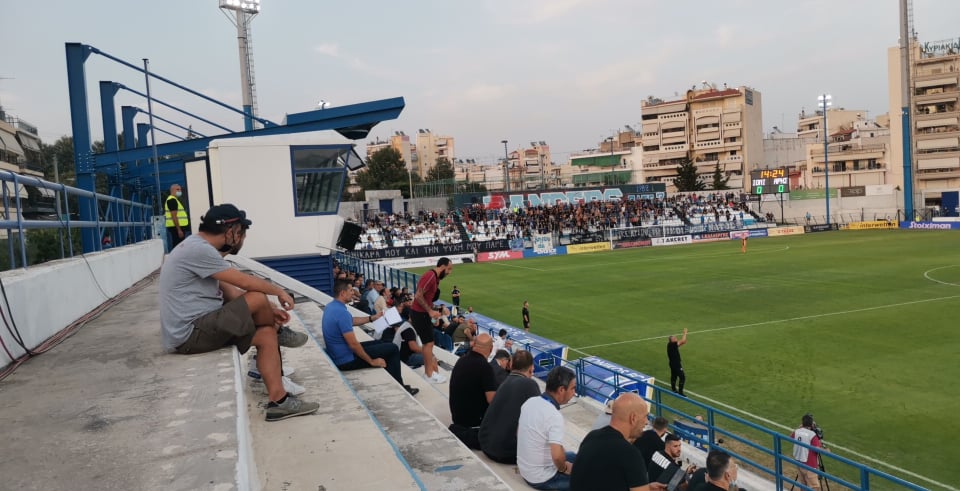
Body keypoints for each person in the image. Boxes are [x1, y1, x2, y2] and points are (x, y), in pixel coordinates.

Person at [159, 203, 318, 422]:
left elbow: (232, 292)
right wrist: (279, 292)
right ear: (231, 230)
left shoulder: (198, 248)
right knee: (258, 297)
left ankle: (279, 402)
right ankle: (278, 330)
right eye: (241, 232)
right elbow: (244, 282)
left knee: (266, 335)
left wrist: (269, 310)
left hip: (196, 331)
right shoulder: (199, 250)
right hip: (191, 333)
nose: (243, 238)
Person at [322, 279, 419, 396]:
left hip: (340, 353)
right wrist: (372, 361)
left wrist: (371, 318)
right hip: (346, 360)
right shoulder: (341, 313)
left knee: (381, 343)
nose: (353, 292)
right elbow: (353, 344)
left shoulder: (332, 306)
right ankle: (401, 388)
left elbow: (351, 321)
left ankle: (395, 381)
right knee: (393, 348)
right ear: (342, 293)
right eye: (351, 290)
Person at [570, 393, 665, 491]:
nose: (646, 422)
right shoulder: (630, 453)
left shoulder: (591, 436)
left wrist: (648, 487)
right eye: (645, 416)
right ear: (633, 418)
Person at [517, 366, 577, 490]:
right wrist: (564, 468)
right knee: (589, 482)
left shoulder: (530, 402)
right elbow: (557, 457)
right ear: (561, 390)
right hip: (541, 478)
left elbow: (518, 432)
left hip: (525, 470)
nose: (574, 393)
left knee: (575, 457)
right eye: (572, 388)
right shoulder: (554, 415)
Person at [478, 350, 540, 464]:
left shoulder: (505, 381)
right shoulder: (530, 385)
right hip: (505, 452)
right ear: (531, 368)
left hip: (485, 443)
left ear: (511, 365)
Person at [447, 333, 497, 449]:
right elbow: (492, 400)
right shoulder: (485, 367)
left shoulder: (461, 360)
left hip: (457, 418)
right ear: (490, 349)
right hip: (473, 422)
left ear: (474, 344)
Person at [410, 257, 454, 383]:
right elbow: (418, 295)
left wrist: (438, 309)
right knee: (428, 343)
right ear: (442, 266)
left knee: (428, 343)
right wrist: (430, 311)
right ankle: (429, 375)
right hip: (420, 314)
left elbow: (426, 299)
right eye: (449, 269)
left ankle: (429, 373)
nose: (449, 272)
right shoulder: (430, 276)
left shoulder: (435, 278)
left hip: (422, 313)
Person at [791, 413, 825, 490]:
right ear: (811, 424)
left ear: (802, 423)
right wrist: (827, 450)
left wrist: (800, 427)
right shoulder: (812, 435)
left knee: (803, 486)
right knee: (814, 487)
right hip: (810, 466)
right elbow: (818, 449)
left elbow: (791, 437)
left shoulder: (797, 431)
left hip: (799, 463)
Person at [165, 183, 190, 251]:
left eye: (180, 190)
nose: (180, 191)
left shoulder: (174, 199)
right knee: (178, 246)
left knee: (179, 246)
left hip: (177, 227)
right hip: (177, 228)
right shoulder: (172, 200)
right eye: (177, 189)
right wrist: (179, 230)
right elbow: (174, 216)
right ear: (172, 190)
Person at [667, 328, 688, 396]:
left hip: (672, 363)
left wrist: (683, 342)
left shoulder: (670, 345)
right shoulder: (672, 344)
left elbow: (682, 342)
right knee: (682, 377)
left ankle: (673, 389)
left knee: (674, 376)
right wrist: (685, 333)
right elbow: (683, 341)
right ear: (672, 340)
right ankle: (680, 392)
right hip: (676, 364)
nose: (676, 338)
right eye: (675, 338)